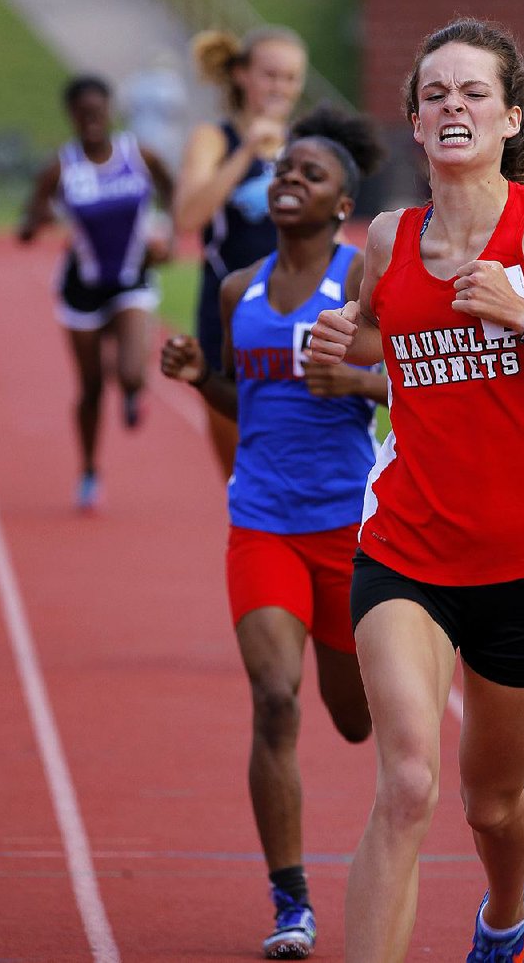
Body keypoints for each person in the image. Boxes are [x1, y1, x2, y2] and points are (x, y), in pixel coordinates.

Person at [308, 18, 524, 963]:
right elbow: (395, 353)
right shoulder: (387, 237)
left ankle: (505, 908)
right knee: (409, 784)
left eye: (472, 93)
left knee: (491, 801)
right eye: (435, 95)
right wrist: (343, 354)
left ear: (510, 117)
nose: (452, 106)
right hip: (405, 551)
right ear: (416, 127)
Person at [161, 106, 387, 960]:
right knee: (273, 699)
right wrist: (196, 378)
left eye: (310, 174)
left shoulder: (362, 276)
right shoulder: (236, 289)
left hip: (348, 531)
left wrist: (354, 382)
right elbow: (238, 397)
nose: (288, 179)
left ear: (341, 205)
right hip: (261, 521)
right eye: (283, 169)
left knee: (356, 719)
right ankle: (291, 900)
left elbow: (417, 386)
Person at [18, 74, 175, 511]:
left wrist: (170, 234)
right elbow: (28, 225)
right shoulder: (60, 168)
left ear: (110, 111)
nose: (91, 120)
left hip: (132, 278)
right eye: (82, 113)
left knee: (131, 373)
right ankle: (89, 470)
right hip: (82, 288)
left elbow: (173, 190)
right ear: (71, 115)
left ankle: (131, 390)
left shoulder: (139, 155)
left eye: (98, 111)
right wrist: (36, 223)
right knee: (89, 388)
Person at [173, 25, 308, 480]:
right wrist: (250, 148)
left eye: (291, 78)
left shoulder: (308, 144)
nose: (280, 88)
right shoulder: (216, 138)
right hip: (228, 312)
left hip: (298, 313)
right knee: (241, 474)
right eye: (270, 75)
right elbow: (187, 217)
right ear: (240, 75)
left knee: (302, 461)